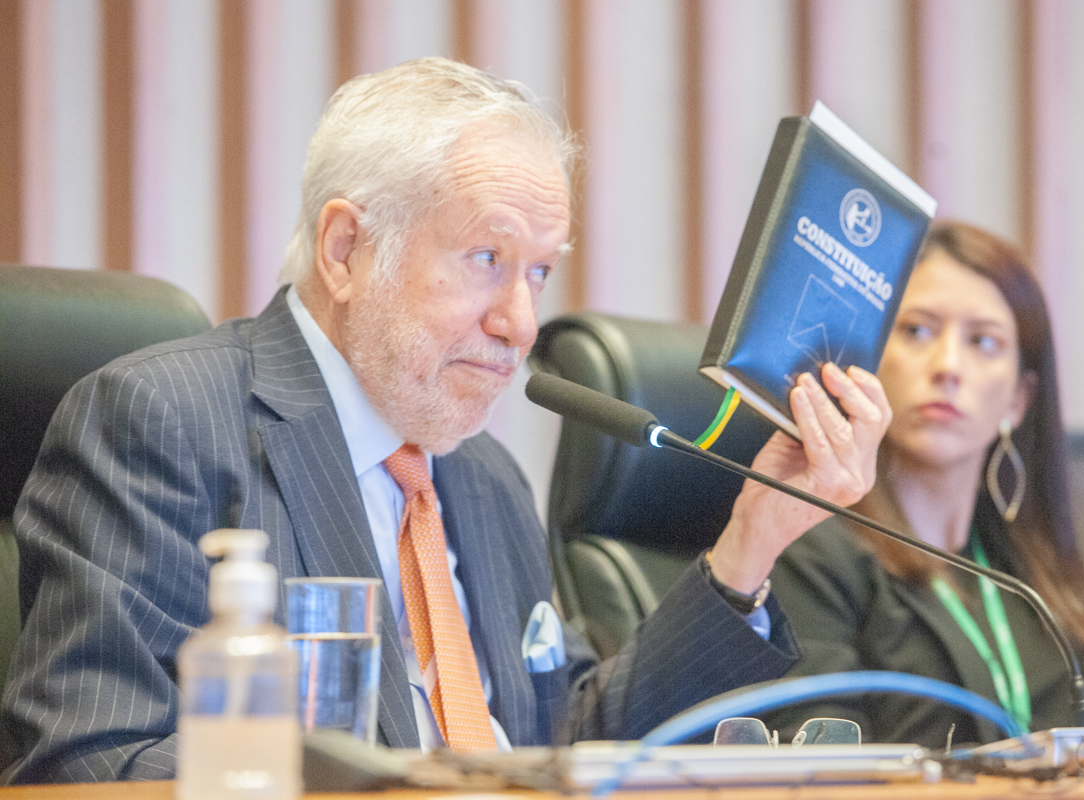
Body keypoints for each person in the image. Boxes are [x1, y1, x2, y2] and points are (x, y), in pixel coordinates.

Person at [0, 57, 891, 782]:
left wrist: (751, 542)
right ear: (346, 250)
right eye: (484, 257)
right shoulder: (162, 423)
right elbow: (86, 762)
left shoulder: (483, 474)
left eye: (538, 272)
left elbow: (571, 746)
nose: (521, 323)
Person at [765, 220, 1084, 755]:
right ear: (868, 362)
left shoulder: (1037, 575)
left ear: (1018, 399)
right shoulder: (816, 556)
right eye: (917, 331)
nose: (948, 367)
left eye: (983, 341)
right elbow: (820, 766)